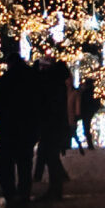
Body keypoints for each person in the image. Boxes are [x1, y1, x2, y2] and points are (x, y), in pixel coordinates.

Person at [0, 44, 38, 208]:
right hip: (28, 128)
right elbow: (41, 103)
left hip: (9, 128)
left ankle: (11, 193)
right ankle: (23, 194)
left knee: (2, 162)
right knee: (24, 163)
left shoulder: (6, 80)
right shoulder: (32, 78)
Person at [32, 53, 72, 199]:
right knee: (49, 154)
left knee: (50, 155)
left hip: (51, 123)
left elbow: (46, 101)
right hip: (56, 123)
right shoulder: (59, 82)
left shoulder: (51, 82)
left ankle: (55, 188)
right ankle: (56, 185)